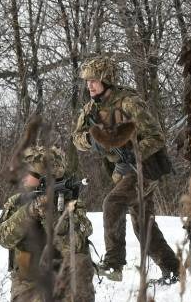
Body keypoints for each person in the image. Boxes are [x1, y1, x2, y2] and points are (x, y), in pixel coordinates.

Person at [72, 55, 181, 282]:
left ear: (107, 79)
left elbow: (157, 137)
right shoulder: (90, 109)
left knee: (113, 203)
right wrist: (92, 141)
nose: (89, 85)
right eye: (87, 81)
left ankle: (114, 264)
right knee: (143, 226)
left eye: (94, 80)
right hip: (121, 171)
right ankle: (173, 270)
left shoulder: (129, 103)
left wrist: (136, 151)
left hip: (143, 168)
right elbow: (76, 139)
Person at [0, 145, 95, 302]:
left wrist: (55, 217)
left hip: (63, 281)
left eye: (29, 173)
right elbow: (2, 237)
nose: (23, 177)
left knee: (81, 261)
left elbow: (76, 247)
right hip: (29, 279)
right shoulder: (17, 202)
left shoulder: (71, 204)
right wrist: (29, 212)